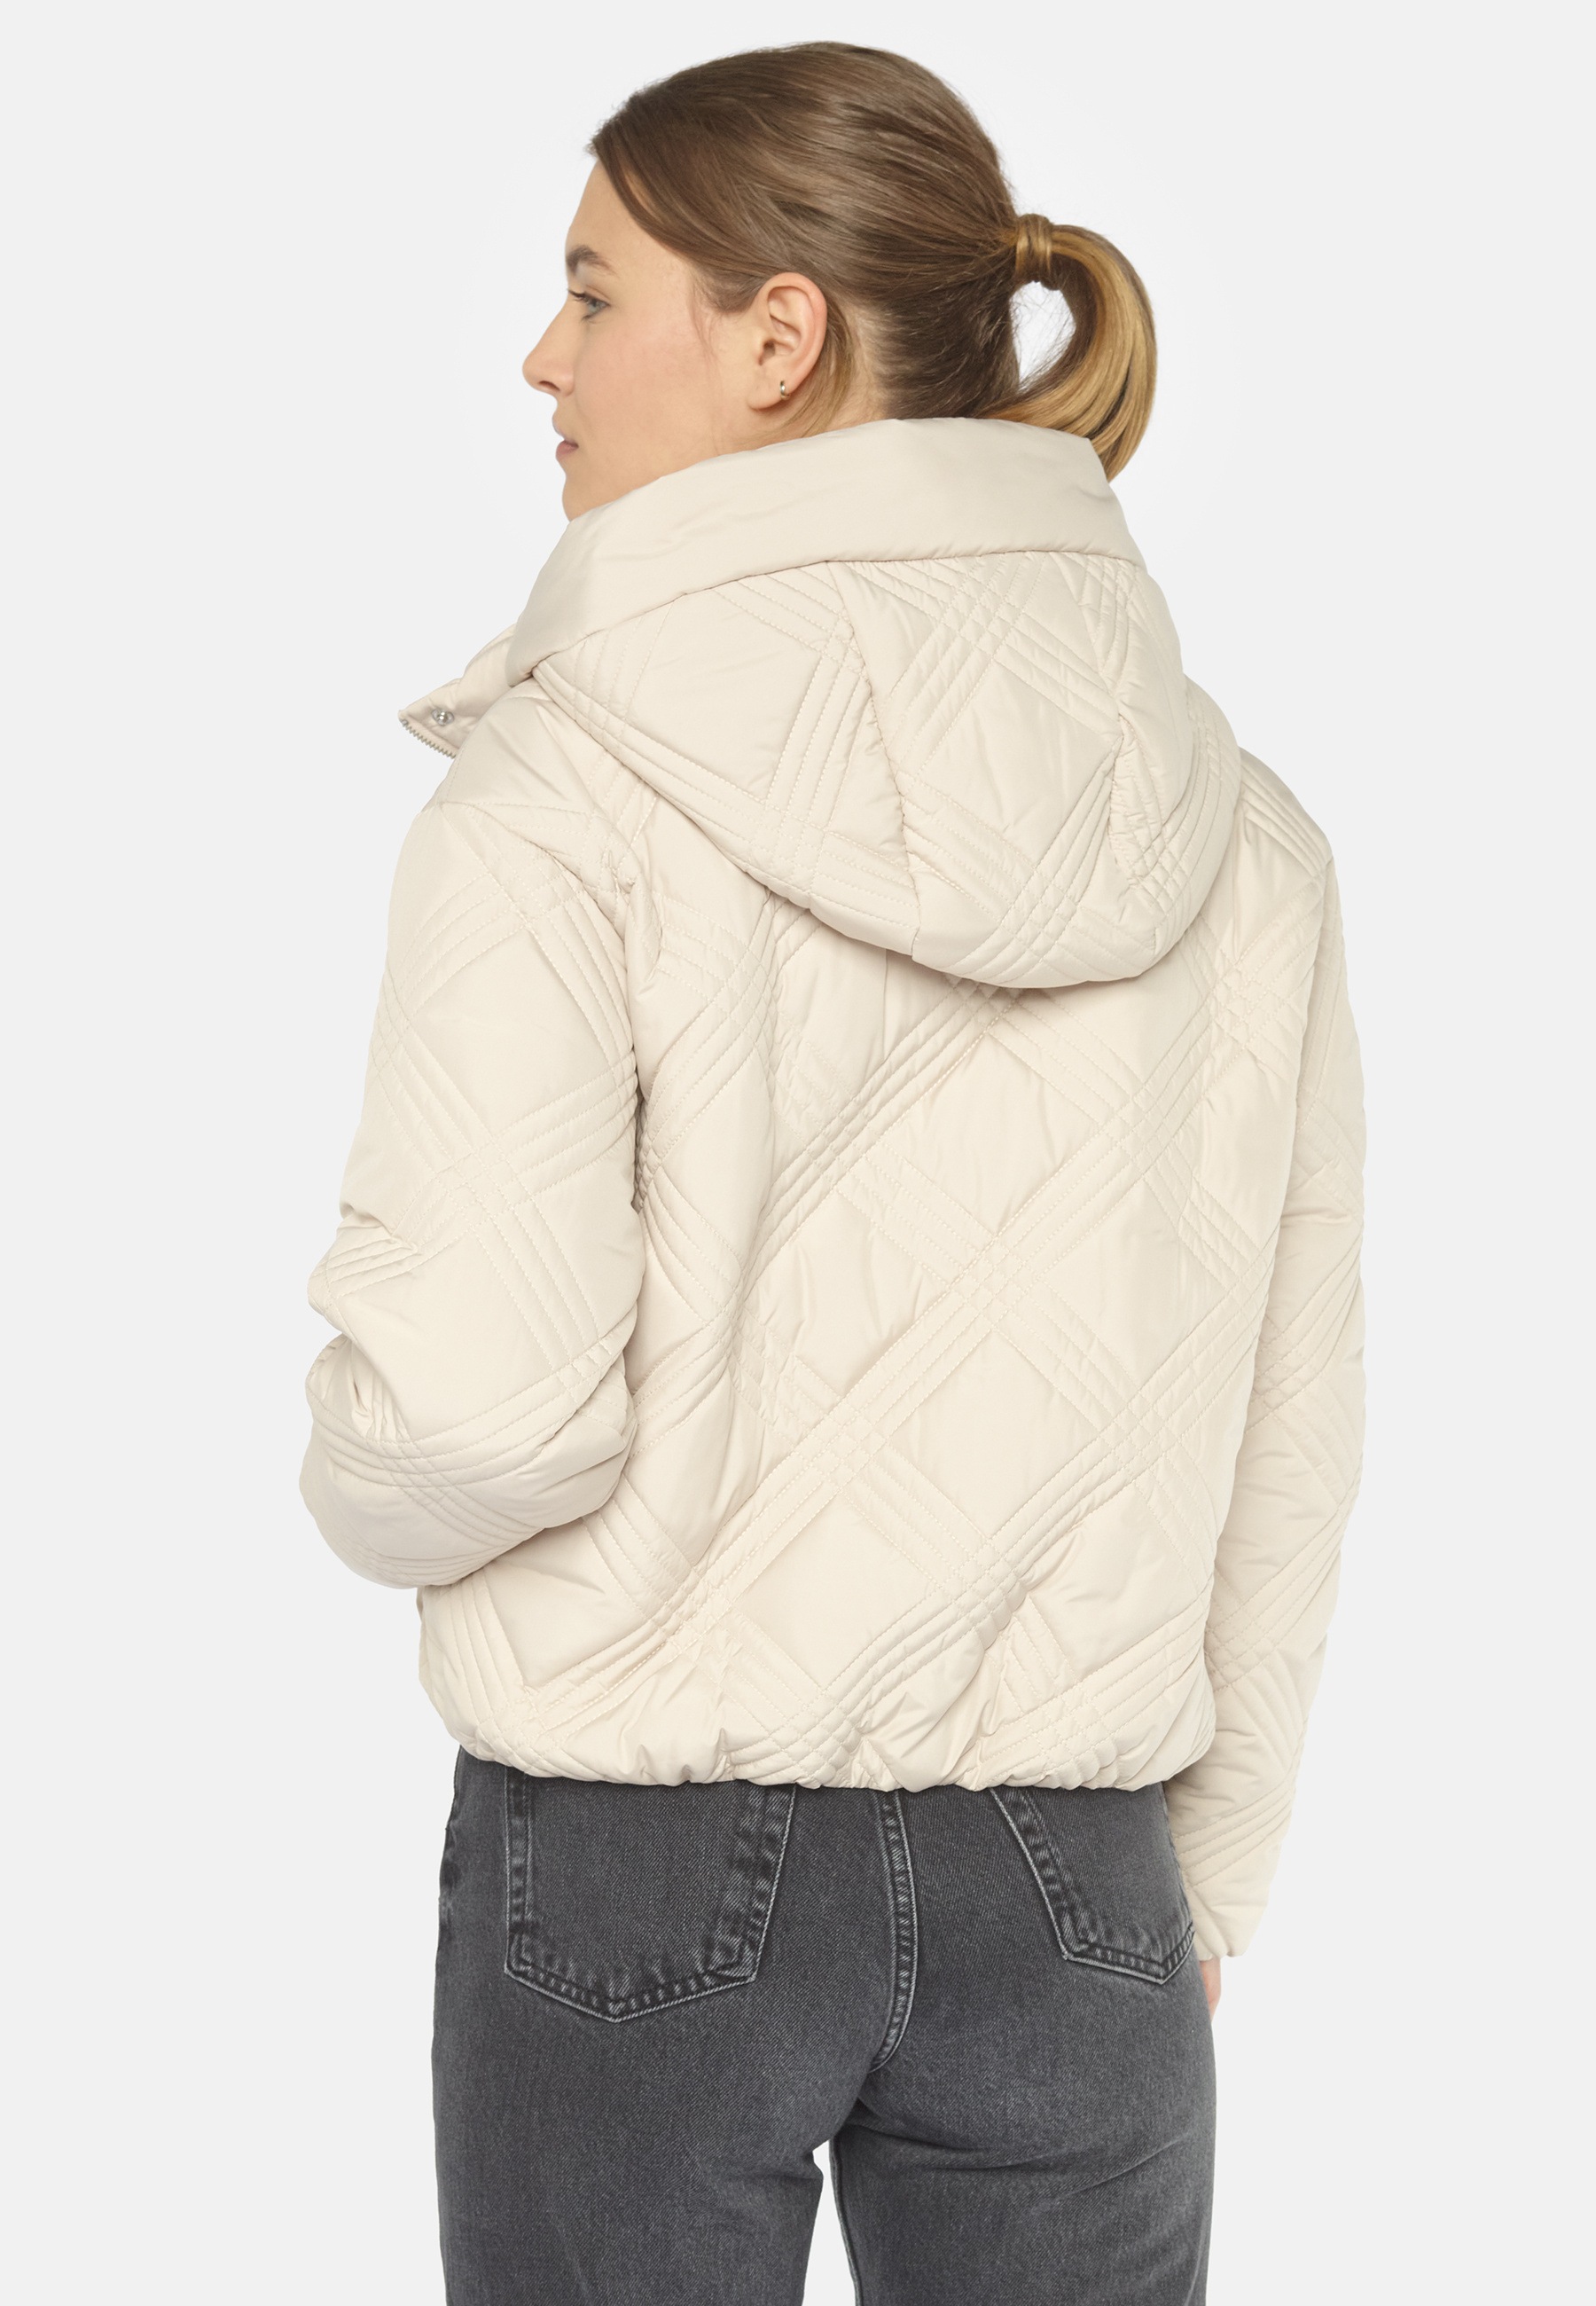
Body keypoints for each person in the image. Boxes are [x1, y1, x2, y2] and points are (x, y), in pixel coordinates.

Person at [301, 41, 1365, 2306]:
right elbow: (1291, 1418)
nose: (543, 356)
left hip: (637, 1853)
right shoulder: (1245, 840)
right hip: (1083, 1871)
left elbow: (471, 1412)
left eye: (596, 292)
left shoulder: (557, 795)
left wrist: (352, 1474)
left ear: (778, 335)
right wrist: (1208, 1875)